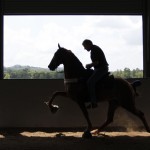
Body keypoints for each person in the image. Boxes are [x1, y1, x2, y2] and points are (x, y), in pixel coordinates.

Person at [82, 39, 109, 109]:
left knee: (90, 82)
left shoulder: (94, 50)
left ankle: (94, 102)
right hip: (98, 69)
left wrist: (89, 65)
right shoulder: (95, 48)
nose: (84, 48)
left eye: (85, 46)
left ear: (88, 44)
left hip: (101, 69)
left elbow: (96, 62)